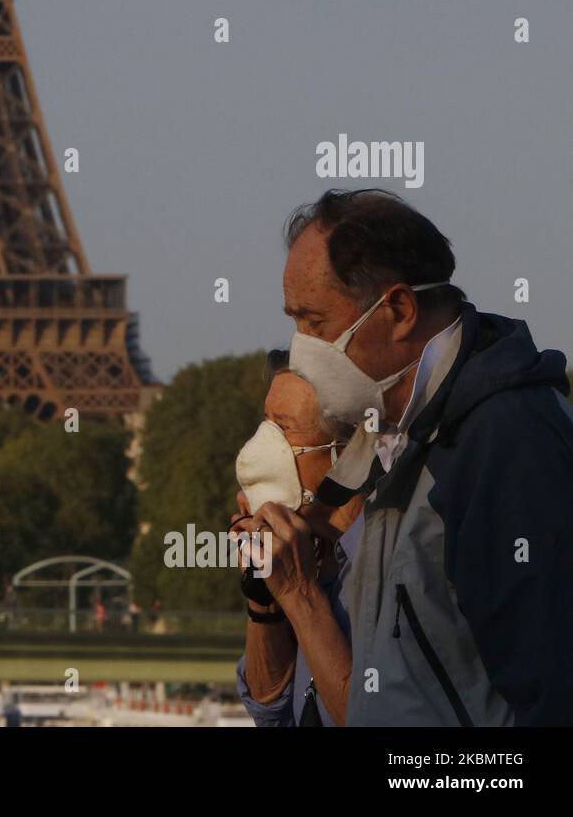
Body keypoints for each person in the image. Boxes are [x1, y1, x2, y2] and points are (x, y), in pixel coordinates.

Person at [274, 188, 573, 725]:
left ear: (399, 309)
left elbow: (550, 693)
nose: (301, 350)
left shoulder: (505, 439)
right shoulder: (401, 436)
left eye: (314, 323)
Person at [232, 351, 361, 725]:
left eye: (284, 428)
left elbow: (364, 715)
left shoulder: (390, 560)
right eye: (265, 424)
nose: (260, 446)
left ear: (344, 451)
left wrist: (298, 593)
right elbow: (269, 709)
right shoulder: (305, 552)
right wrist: (263, 593)